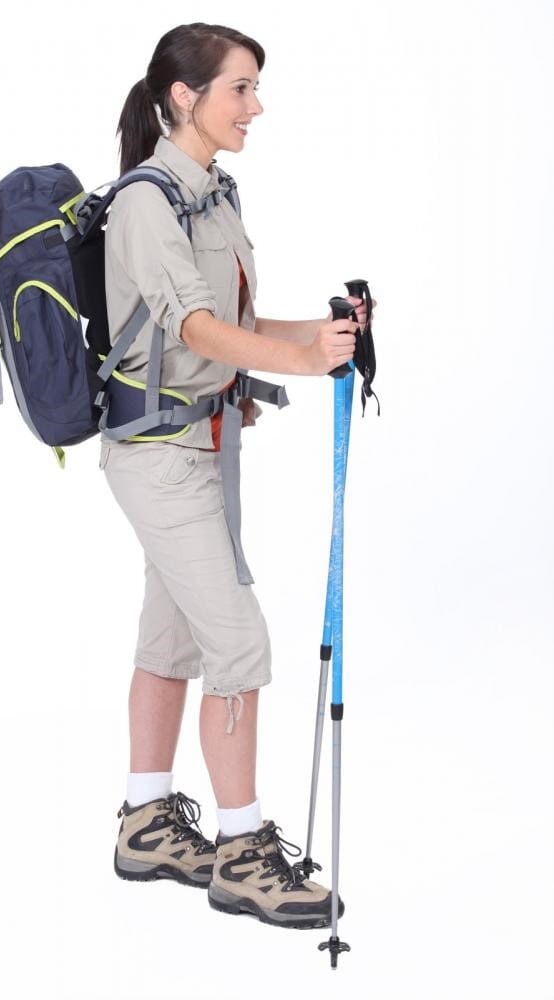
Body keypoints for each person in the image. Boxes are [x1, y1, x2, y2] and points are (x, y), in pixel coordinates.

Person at [103, 22, 375, 929]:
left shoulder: (213, 194)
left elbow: (235, 322)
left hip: (210, 448)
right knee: (240, 644)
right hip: (159, 454)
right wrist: (296, 364)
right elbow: (192, 329)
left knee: (174, 637)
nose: (256, 106)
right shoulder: (148, 202)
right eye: (240, 88)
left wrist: (323, 337)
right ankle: (243, 851)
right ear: (185, 96)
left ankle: (146, 821)